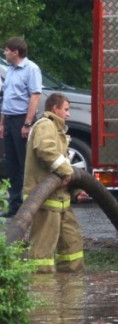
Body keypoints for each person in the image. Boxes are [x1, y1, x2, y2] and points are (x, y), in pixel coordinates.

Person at [24, 93, 87, 273]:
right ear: (55, 109)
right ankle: (42, 289)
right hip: (44, 200)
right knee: (42, 249)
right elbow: (45, 150)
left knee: (72, 244)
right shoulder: (45, 126)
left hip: (61, 199)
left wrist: (76, 191)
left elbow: (64, 164)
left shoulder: (59, 131)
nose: (68, 114)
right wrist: (67, 172)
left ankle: (70, 286)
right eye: (66, 109)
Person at [0, 37, 42, 218]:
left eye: (7, 50)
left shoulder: (30, 69)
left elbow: (35, 96)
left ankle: (31, 205)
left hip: (21, 120)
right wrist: (2, 122)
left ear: (16, 52)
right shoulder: (10, 70)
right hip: (9, 119)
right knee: (11, 164)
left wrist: (27, 123)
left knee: (26, 163)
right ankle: (15, 205)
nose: (5, 52)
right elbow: (6, 98)